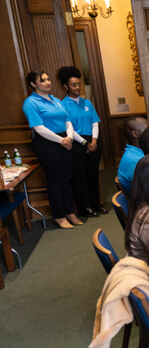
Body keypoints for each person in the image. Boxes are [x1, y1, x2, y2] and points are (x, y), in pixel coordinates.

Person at [22, 70, 82, 229]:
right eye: (43, 80)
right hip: (47, 143)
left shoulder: (56, 100)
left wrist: (68, 137)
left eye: (48, 79)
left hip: (65, 139)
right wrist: (61, 140)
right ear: (33, 84)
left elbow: (67, 120)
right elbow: (39, 128)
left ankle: (70, 212)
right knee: (55, 180)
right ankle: (59, 216)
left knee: (66, 178)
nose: (48, 82)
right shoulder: (30, 103)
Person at [57, 66, 106, 218]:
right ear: (66, 86)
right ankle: (84, 209)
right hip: (77, 143)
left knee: (93, 175)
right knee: (79, 178)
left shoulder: (87, 103)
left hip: (94, 140)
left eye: (79, 84)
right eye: (73, 85)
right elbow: (69, 127)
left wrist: (94, 141)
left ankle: (96, 205)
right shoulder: (62, 105)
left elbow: (95, 123)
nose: (77, 87)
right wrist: (86, 144)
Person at [117, 116, 149, 195]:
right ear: (135, 133)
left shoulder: (136, 152)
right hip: (142, 203)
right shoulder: (135, 160)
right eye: (148, 130)